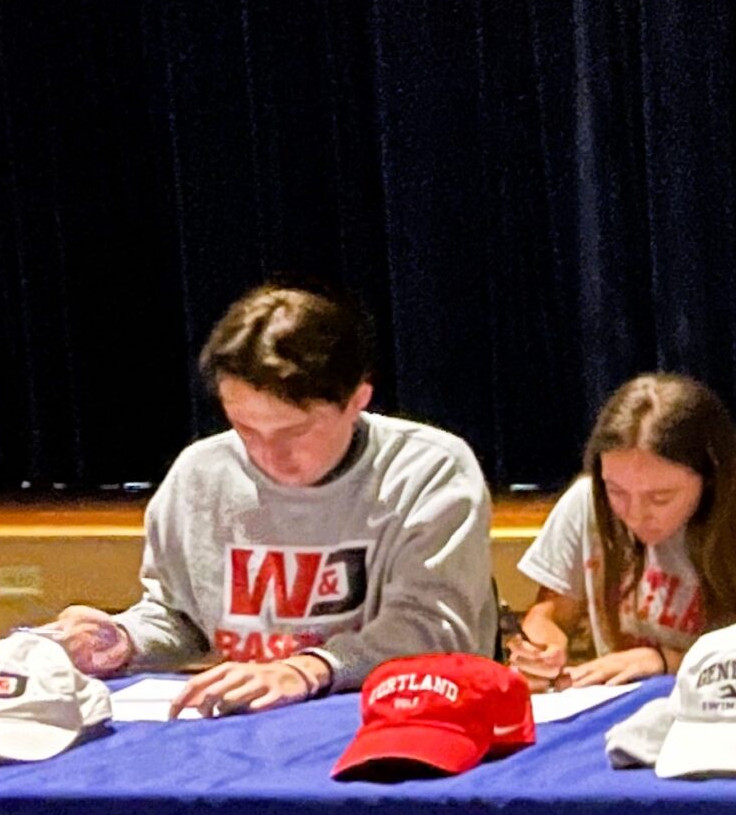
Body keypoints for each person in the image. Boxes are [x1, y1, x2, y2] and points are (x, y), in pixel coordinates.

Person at [46, 284, 494, 717]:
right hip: (256, 730)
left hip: (398, 721)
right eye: (245, 430)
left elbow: (430, 631)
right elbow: (180, 616)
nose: (269, 456)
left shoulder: (429, 469)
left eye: (295, 432)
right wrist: (125, 639)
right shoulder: (200, 473)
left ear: (358, 399)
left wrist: (307, 669)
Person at [510, 374, 736, 688]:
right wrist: (544, 648)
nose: (635, 515)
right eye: (616, 491)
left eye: (660, 497)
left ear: (711, 479)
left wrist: (668, 661)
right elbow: (550, 613)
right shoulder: (586, 502)